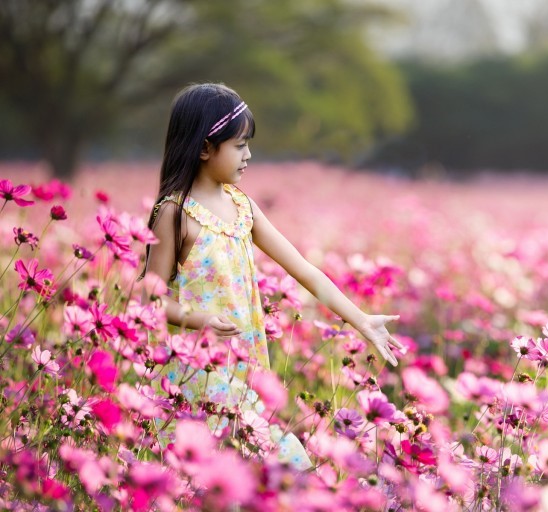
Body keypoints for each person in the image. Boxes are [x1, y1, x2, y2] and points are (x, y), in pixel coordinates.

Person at [142, 83, 404, 468]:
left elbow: (305, 271)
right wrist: (198, 320)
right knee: (248, 473)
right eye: (239, 145)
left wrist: (361, 320)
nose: (248, 155)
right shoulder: (175, 213)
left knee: (272, 475)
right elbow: (149, 297)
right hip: (195, 376)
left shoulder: (241, 206)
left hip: (244, 372)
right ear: (203, 148)